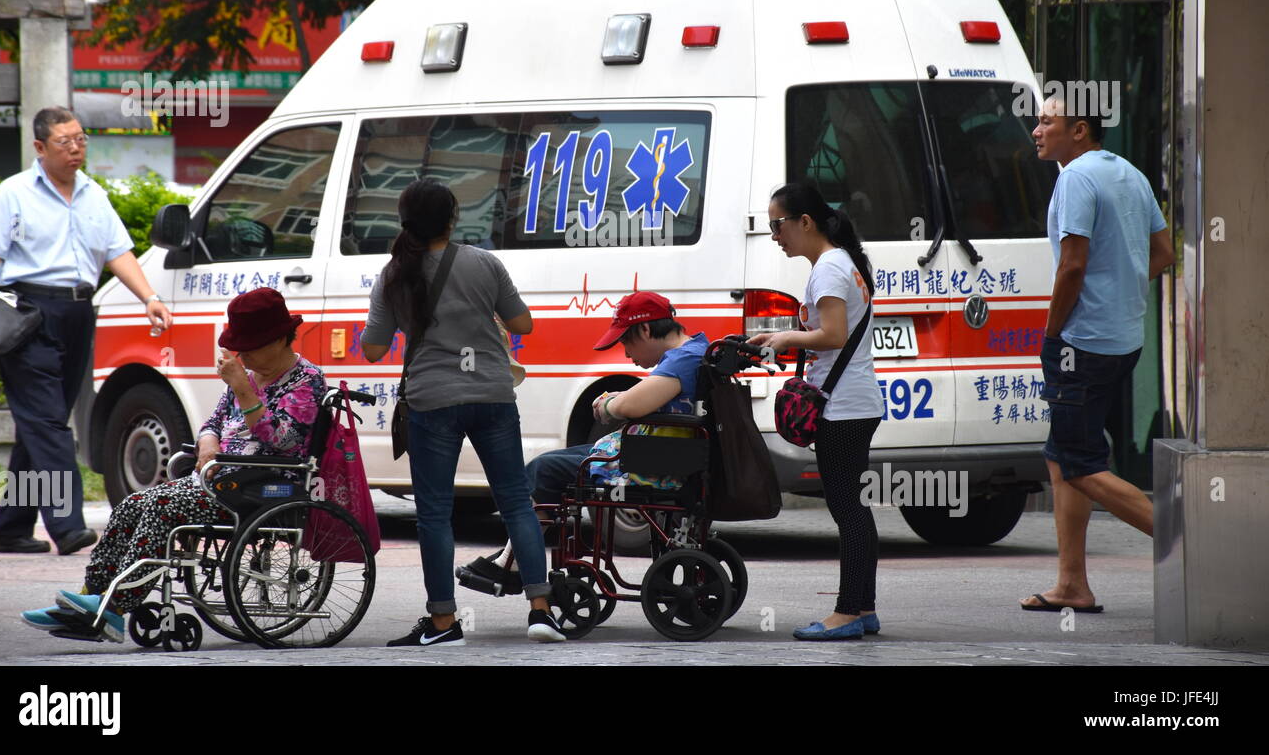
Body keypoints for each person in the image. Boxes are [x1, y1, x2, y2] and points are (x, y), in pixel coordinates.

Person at [20, 288, 325, 641]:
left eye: (251, 346)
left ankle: (115, 608)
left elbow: (283, 439)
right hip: (224, 479)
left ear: (279, 339)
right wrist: (208, 441)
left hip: (265, 485)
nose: (243, 355)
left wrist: (243, 390)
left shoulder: (307, 381)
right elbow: (213, 422)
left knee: (163, 507)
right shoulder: (251, 375)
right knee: (133, 504)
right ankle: (90, 597)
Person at [360, 178, 558, 646]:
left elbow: (372, 350)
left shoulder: (392, 276)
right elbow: (523, 323)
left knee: (434, 515)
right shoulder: (485, 264)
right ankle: (542, 612)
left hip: (433, 402)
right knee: (515, 502)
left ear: (404, 221)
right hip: (492, 396)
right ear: (452, 219)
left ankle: (444, 623)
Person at [0, 107, 173, 557]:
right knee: (48, 425)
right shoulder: (13, 194)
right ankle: (68, 524)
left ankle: (11, 529)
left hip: (79, 314)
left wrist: (149, 297)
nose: (76, 148)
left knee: (42, 425)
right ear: (40, 148)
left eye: (81, 138)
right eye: (65, 141)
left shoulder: (92, 194)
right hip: (28, 314)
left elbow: (117, 252)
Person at [1020, 96, 1173, 614]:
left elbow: (1072, 265)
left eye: (1047, 121)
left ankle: (1190, 537)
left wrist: (1052, 330)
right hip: (1124, 338)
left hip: (1080, 343)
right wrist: (1123, 290)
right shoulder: (1128, 173)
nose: (1036, 129)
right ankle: (1072, 584)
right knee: (1061, 456)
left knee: (1080, 464)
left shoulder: (1076, 178)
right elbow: (1163, 253)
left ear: (1079, 129)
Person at [457, 291, 710, 592]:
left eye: (626, 343)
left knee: (545, 469)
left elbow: (630, 406)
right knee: (557, 461)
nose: (627, 354)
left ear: (644, 330)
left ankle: (516, 562)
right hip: (662, 452)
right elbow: (643, 396)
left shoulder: (683, 360)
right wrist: (620, 398)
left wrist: (607, 404)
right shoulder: (697, 350)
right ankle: (516, 556)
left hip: (654, 462)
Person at [748, 183, 883, 641]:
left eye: (777, 225)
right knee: (855, 509)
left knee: (848, 510)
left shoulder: (828, 267)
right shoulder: (843, 261)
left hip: (842, 405)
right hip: (855, 400)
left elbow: (833, 335)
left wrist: (785, 339)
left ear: (805, 221)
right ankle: (862, 608)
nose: (774, 235)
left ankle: (847, 613)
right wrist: (780, 336)